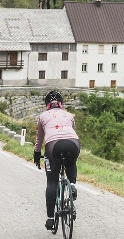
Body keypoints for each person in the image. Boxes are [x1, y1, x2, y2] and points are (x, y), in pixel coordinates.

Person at [33, 90, 80, 231]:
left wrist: (37, 153)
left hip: (53, 146)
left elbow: (39, 139)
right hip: (73, 143)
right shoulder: (69, 115)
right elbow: (72, 131)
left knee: (52, 181)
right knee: (71, 163)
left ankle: (50, 219)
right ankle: (72, 184)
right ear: (61, 104)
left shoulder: (42, 116)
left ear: (47, 104)